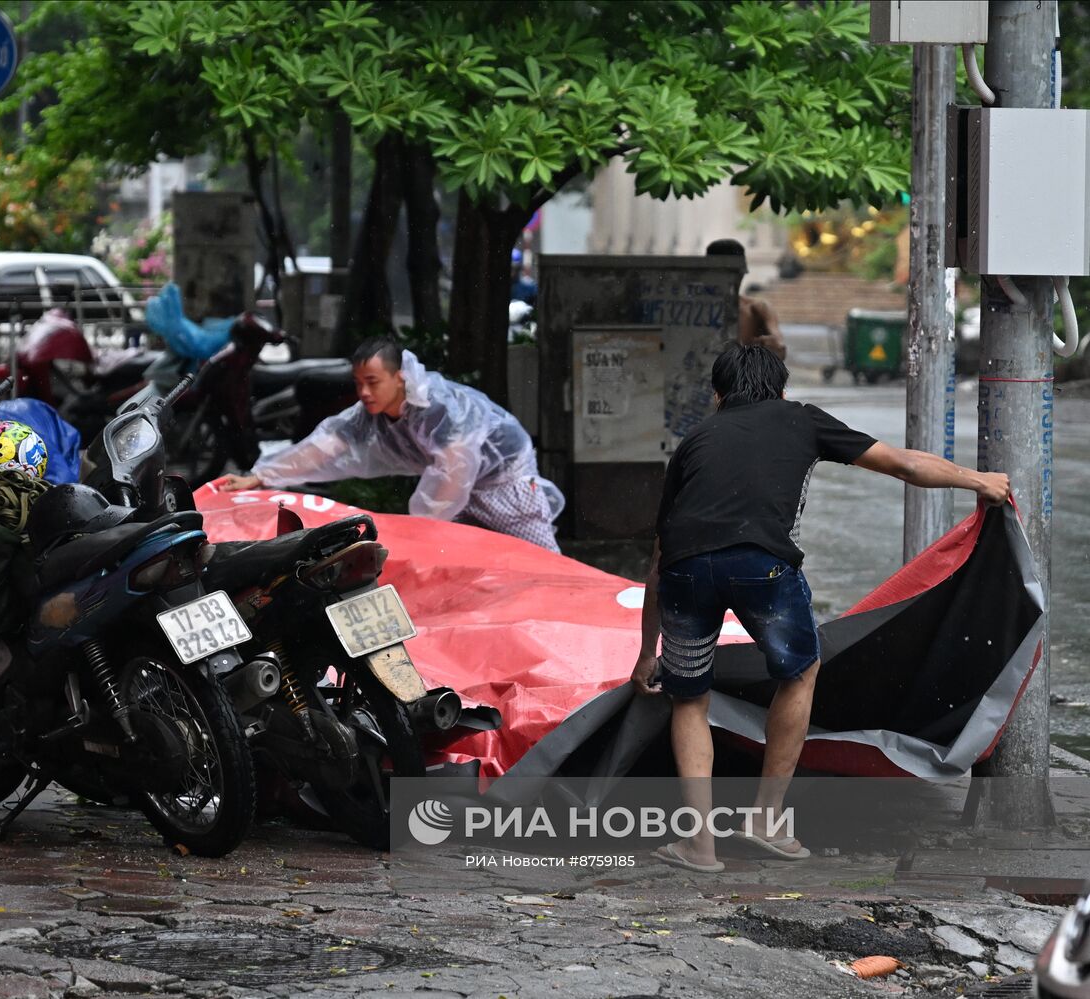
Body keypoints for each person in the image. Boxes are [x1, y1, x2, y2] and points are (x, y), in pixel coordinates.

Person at [631, 342, 1010, 874]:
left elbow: (658, 556)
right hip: (761, 567)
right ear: (782, 390)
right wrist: (979, 480)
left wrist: (648, 652)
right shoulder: (801, 419)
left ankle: (700, 846)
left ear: (717, 396)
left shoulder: (694, 440)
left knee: (688, 698)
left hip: (685, 574)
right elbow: (902, 463)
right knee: (800, 672)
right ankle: (765, 821)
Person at [216, 337, 565, 552]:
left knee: (546, 566)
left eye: (373, 382)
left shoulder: (438, 408)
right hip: (457, 494)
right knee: (460, 569)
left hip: (505, 484)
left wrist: (421, 527)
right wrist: (261, 477)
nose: (364, 392)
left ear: (399, 378)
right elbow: (325, 445)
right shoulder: (369, 413)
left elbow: (453, 473)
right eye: (358, 383)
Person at [706, 238, 787, 361]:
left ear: (743, 272)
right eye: (726, 273)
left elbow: (780, 350)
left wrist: (771, 346)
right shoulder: (691, 310)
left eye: (738, 273)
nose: (734, 280)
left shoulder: (757, 309)